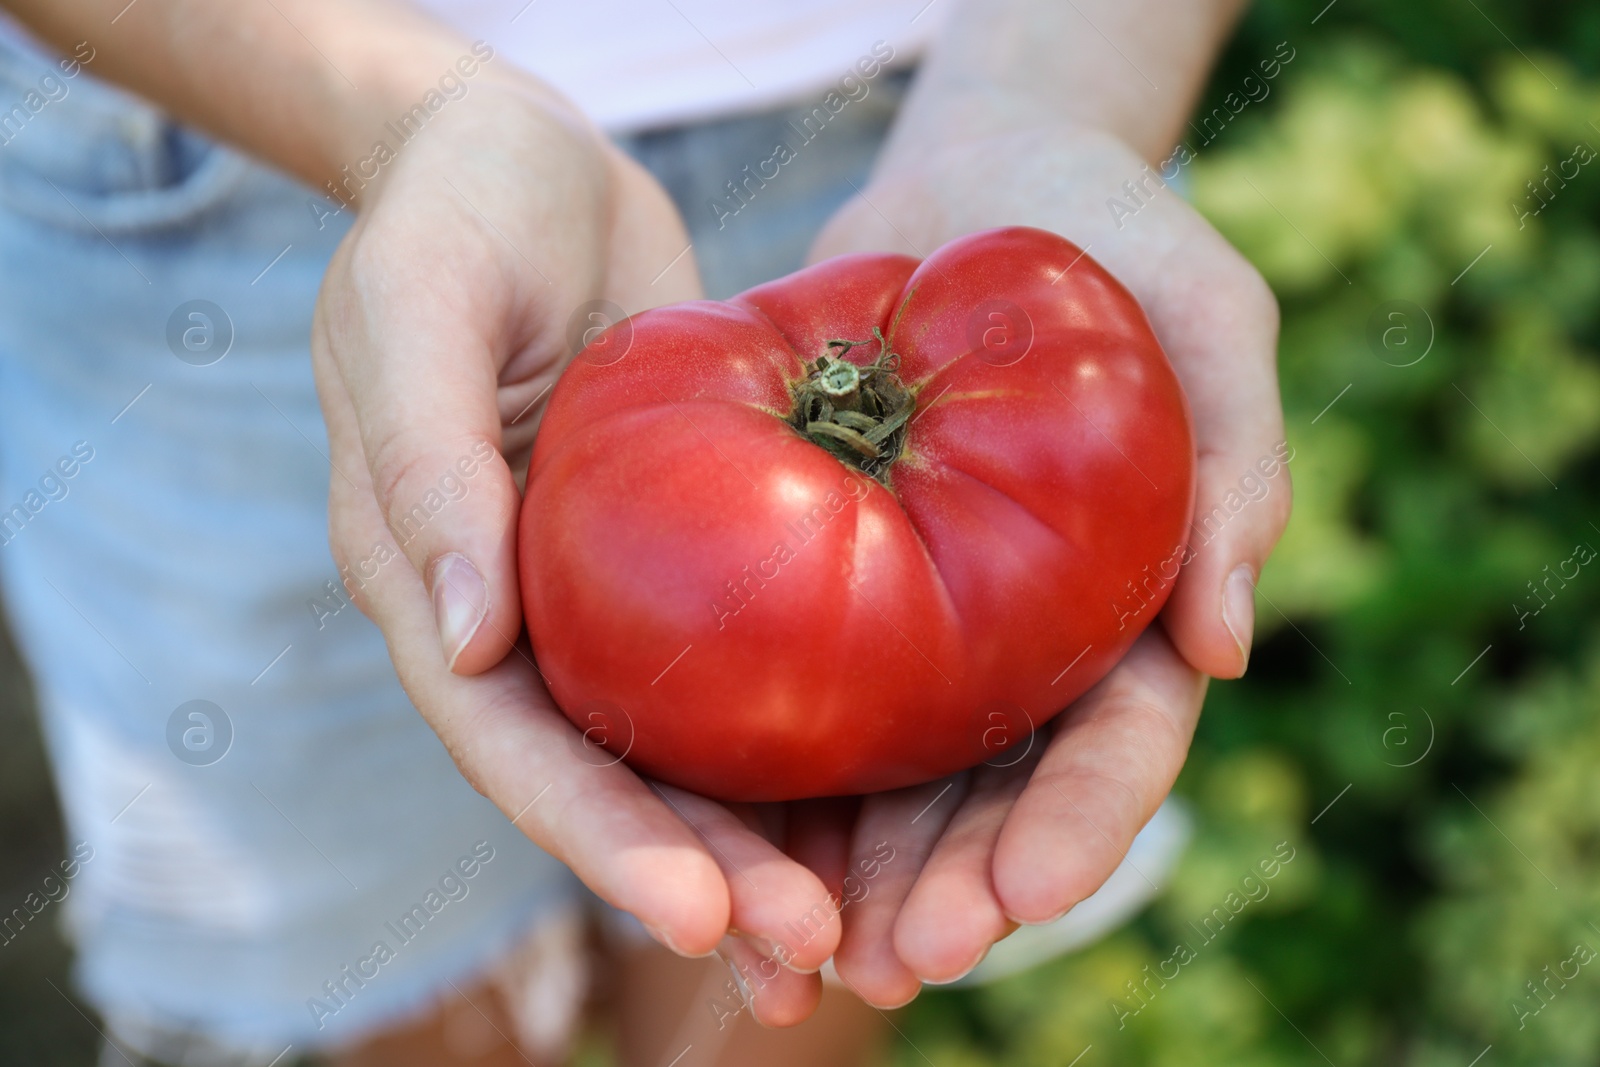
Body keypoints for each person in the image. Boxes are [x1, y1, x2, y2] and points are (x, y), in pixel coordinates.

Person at [0, 0, 1289, 1063]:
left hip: (953, 87)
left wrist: (1060, 89)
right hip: (227, 132)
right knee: (380, 986)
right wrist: (404, 118)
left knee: (787, 970)